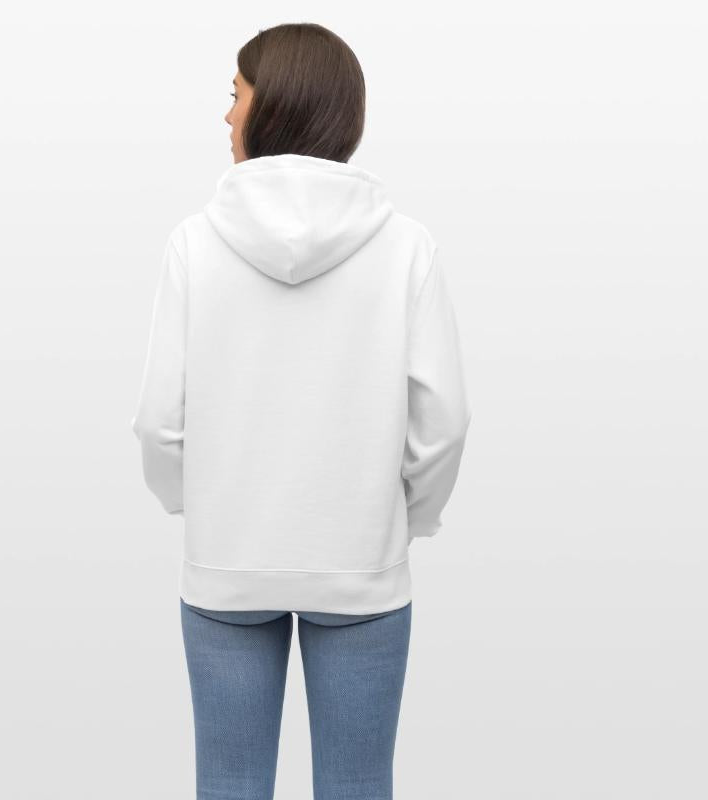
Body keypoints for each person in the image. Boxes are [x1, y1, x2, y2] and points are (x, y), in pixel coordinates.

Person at [131, 22, 472, 800]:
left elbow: (157, 421)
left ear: (275, 106)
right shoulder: (406, 247)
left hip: (226, 565)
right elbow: (444, 423)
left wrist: (199, 505)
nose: (226, 116)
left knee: (228, 782)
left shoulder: (195, 244)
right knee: (359, 784)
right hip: (362, 567)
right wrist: (404, 521)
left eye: (235, 96)